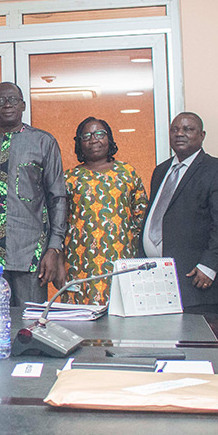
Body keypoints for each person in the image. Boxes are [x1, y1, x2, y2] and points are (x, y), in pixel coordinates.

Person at [0, 82, 65, 305]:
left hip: (32, 253)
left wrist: (54, 248)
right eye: (0, 101)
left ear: (23, 105)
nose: (7, 105)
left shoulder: (44, 142)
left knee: (30, 326)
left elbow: (57, 199)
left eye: (13, 100)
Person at [140, 112, 218, 313]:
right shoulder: (161, 171)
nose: (179, 134)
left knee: (198, 342)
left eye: (188, 129)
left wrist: (209, 266)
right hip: (158, 279)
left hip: (196, 281)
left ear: (202, 135)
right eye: (175, 129)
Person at [63, 116, 149, 305]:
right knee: (81, 323)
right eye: (86, 136)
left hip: (122, 262)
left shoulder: (127, 172)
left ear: (109, 139)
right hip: (80, 263)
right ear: (79, 144)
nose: (94, 140)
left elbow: (141, 216)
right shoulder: (69, 178)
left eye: (100, 134)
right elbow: (59, 223)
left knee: (122, 318)